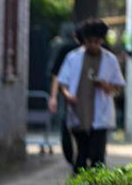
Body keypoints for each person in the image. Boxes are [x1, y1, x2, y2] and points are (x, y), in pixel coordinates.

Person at [57, 18, 125, 173]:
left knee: (98, 156)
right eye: (89, 41)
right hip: (79, 112)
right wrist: (68, 96)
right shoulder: (73, 57)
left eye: (96, 41)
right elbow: (63, 83)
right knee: (81, 154)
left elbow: (118, 86)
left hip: (100, 114)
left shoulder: (110, 60)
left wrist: (106, 86)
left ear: (101, 40)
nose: (93, 45)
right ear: (84, 41)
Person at [47, 22, 81, 164]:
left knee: (66, 123)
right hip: (71, 93)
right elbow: (57, 74)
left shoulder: (62, 48)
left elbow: (56, 75)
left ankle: (74, 158)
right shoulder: (69, 49)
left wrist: (53, 96)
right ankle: (79, 158)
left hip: (66, 92)